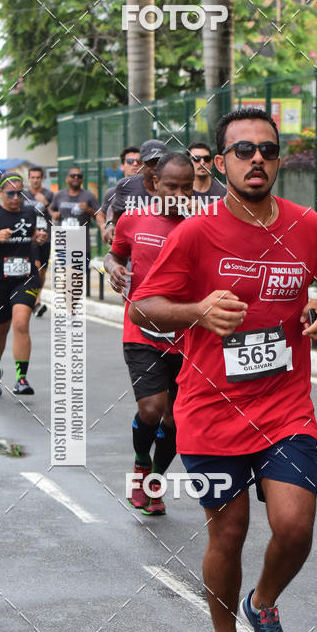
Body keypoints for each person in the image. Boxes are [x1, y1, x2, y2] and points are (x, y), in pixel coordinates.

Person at [130, 108, 317, 632]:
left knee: (295, 526)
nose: (258, 160)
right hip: (210, 411)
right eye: (244, 150)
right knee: (227, 532)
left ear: (279, 160)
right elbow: (144, 305)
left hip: (285, 407)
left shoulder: (306, 224)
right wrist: (197, 310)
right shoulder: (195, 234)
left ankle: (264, 603)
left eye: (268, 151)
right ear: (221, 161)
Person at [104, 153, 194, 516]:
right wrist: (113, 269)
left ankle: (154, 481)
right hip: (141, 330)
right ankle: (142, 462)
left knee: (175, 420)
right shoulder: (132, 219)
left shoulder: (202, 225)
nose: (179, 194)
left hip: (188, 336)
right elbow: (115, 255)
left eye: (186, 187)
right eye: (171, 186)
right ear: (154, 184)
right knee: (152, 409)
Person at [0, 171, 48, 396]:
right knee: (0, 329)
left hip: (25, 278)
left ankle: (21, 379)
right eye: (11, 193)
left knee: (21, 323)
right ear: (0, 193)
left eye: (20, 193)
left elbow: (36, 236)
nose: (16, 197)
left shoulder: (30, 212)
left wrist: (39, 238)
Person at [104, 139, 168, 243]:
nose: (156, 166)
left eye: (160, 161)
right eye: (151, 161)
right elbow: (114, 208)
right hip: (132, 250)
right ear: (142, 162)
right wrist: (109, 224)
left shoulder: (175, 186)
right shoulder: (126, 186)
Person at [22, 165, 54, 317]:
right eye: (32, 177)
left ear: (42, 179)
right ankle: (36, 302)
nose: (35, 180)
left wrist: (46, 203)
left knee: (42, 272)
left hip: (45, 238)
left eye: (38, 178)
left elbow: (55, 216)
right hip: (29, 238)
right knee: (36, 267)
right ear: (29, 179)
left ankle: (35, 296)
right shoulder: (22, 195)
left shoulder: (49, 194)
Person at [50, 168, 99, 263]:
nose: (76, 178)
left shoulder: (89, 196)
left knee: (77, 276)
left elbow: (99, 216)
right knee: (67, 274)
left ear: (82, 179)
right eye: (73, 176)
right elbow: (51, 209)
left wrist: (88, 209)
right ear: (67, 178)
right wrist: (54, 215)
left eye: (79, 176)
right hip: (63, 242)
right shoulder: (59, 195)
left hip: (81, 243)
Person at [95, 146, 141, 239]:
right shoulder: (112, 192)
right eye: (130, 161)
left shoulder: (152, 190)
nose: (135, 164)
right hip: (122, 247)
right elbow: (100, 214)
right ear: (122, 167)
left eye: (139, 161)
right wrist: (104, 226)